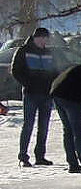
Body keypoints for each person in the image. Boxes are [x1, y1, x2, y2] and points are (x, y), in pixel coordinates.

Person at [11, 27, 57, 167]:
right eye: (43, 38)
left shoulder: (48, 52)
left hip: (46, 94)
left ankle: (40, 155)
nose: (45, 41)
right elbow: (15, 70)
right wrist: (27, 83)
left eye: (46, 39)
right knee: (28, 125)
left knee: (44, 126)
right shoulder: (24, 51)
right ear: (36, 38)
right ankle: (23, 155)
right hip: (31, 93)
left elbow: (54, 71)